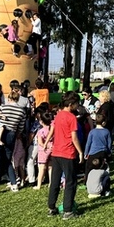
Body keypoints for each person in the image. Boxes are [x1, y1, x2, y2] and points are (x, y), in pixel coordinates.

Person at [46, 91, 85, 219]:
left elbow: (53, 130)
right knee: (70, 182)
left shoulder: (58, 115)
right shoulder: (71, 117)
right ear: (71, 104)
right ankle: (68, 211)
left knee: (55, 181)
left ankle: (51, 207)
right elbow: (74, 137)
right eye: (76, 103)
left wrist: (47, 142)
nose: (77, 106)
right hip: (68, 153)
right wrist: (80, 151)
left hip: (56, 153)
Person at [0, 88, 26, 195]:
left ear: (9, 98)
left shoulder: (3, 107)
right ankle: (14, 184)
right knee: (7, 160)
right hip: (11, 135)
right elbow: (20, 128)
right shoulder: (22, 111)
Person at [84, 113, 112, 178]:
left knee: (88, 168)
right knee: (103, 167)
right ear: (104, 122)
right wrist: (109, 152)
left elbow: (88, 143)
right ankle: (103, 179)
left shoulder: (92, 132)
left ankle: (86, 181)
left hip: (92, 153)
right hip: (103, 153)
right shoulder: (106, 131)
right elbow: (109, 144)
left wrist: (86, 153)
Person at [34, 111, 53, 189]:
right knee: (50, 167)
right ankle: (51, 183)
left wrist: (46, 146)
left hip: (43, 151)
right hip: (52, 149)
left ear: (41, 121)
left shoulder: (40, 131)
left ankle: (39, 185)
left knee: (42, 168)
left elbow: (40, 142)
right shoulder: (52, 130)